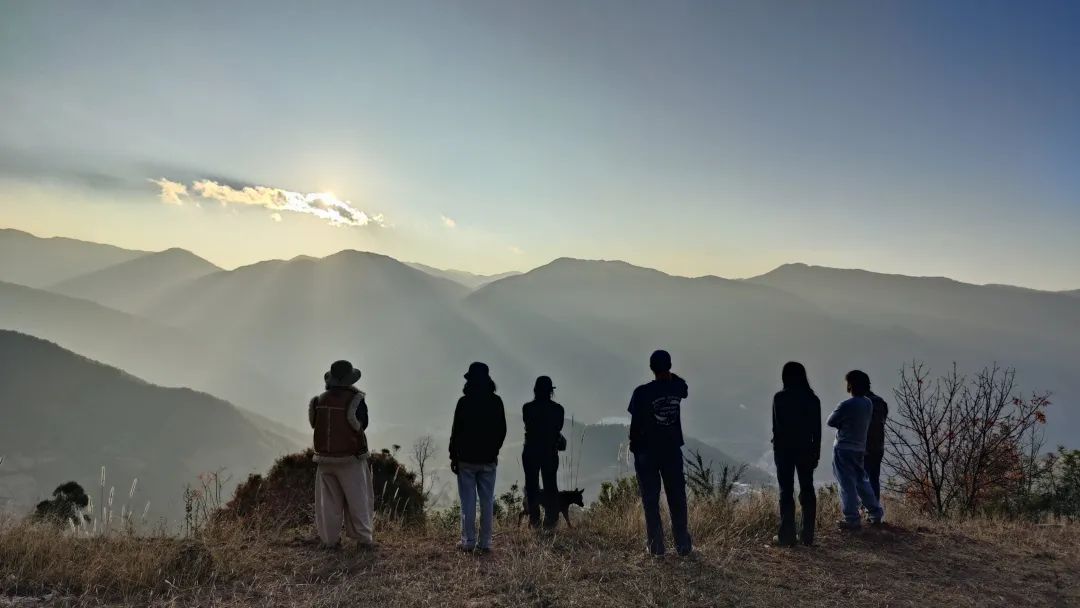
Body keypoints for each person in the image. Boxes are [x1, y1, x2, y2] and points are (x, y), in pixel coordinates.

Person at [628, 349, 692, 557]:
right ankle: (682, 543)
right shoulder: (676, 388)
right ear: (670, 366)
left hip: (647, 453)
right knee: (677, 497)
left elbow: (635, 426)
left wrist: (634, 447)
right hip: (672, 450)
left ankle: (656, 546)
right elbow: (685, 388)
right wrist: (670, 375)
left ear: (651, 368)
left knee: (651, 499)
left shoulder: (642, 392)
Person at [308, 360, 374, 549]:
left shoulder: (318, 401)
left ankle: (330, 541)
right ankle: (363, 539)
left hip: (324, 459)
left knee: (328, 503)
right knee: (358, 499)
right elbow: (363, 424)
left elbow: (315, 425)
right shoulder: (355, 400)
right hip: (350, 458)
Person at [449, 362, 507, 553]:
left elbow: (456, 432)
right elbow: (502, 431)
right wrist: (494, 450)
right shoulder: (496, 402)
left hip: (466, 459)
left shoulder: (464, 402)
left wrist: (453, 456)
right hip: (488, 459)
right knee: (487, 501)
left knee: (467, 501)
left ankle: (468, 541)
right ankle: (485, 542)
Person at [771, 362, 821, 546]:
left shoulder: (780, 398)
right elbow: (817, 430)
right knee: (807, 490)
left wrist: (776, 449)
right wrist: (816, 452)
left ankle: (787, 536)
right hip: (806, 449)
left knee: (786, 492)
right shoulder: (813, 399)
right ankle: (807, 535)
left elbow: (777, 428)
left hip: (784, 450)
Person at [827, 370, 885, 530]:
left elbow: (830, 421)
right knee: (862, 482)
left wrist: (843, 424)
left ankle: (851, 518)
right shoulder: (868, 403)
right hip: (860, 448)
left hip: (843, 448)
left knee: (846, 484)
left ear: (851, 385)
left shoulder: (846, 405)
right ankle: (875, 512)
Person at [522, 376, 565, 529]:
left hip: (531, 451)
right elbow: (558, 428)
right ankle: (551, 520)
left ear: (535, 390)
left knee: (532, 486)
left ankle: (534, 520)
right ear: (551, 392)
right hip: (549, 451)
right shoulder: (558, 409)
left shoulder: (527, 408)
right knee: (550, 486)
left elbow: (528, 425)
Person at [865, 380, 889, 501]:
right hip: (878, 446)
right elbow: (883, 421)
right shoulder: (881, 402)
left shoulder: (862, 402)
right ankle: (875, 512)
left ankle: (865, 510)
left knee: (861, 480)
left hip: (864, 446)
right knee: (874, 478)